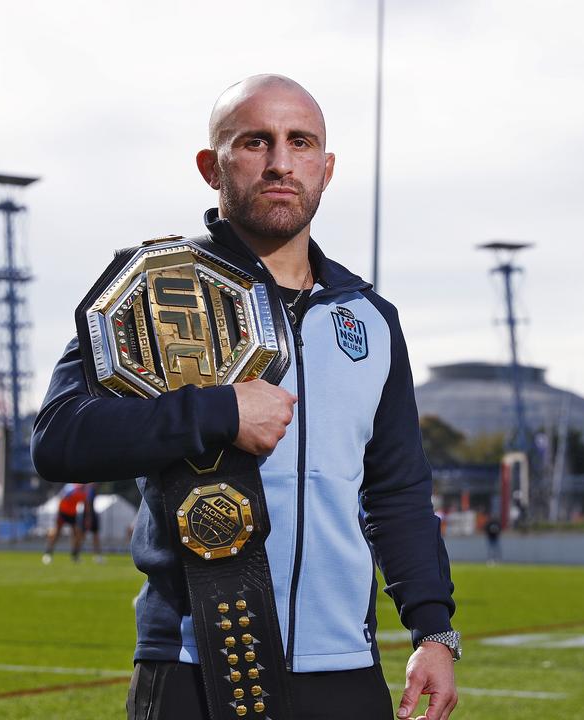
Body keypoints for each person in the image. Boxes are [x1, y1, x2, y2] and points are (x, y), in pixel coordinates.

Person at [33, 74, 458, 720]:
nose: (282, 163)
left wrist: (432, 630)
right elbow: (60, 437)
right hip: (196, 664)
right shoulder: (154, 290)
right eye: (256, 142)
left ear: (327, 167)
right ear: (211, 166)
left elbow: (396, 491)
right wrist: (218, 413)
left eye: (301, 142)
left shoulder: (370, 318)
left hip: (344, 670)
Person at [43, 482, 86, 564]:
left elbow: (85, 503)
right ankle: (48, 553)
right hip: (63, 512)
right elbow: (61, 498)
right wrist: (59, 512)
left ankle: (75, 555)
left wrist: (87, 517)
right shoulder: (71, 488)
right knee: (57, 533)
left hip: (73, 514)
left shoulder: (84, 491)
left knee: (77, 534)